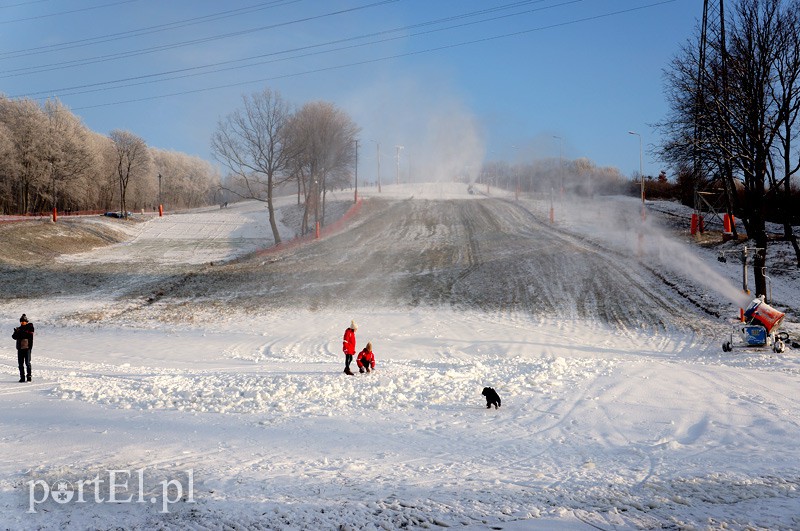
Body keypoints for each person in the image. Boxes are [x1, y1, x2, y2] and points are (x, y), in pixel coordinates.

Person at [12, 314, 34, 383]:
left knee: (27, 363)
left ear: (26, 322)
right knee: (20, 364)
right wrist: (16, 333)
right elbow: (14, 337)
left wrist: (20, 333)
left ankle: (29, 377)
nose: (22, 323)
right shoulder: (18, 328)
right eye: (21, 321)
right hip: (20, 348)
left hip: (27, 348)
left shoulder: (30, 327)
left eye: (24, 321)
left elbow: (29, 336)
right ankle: (22, 377)